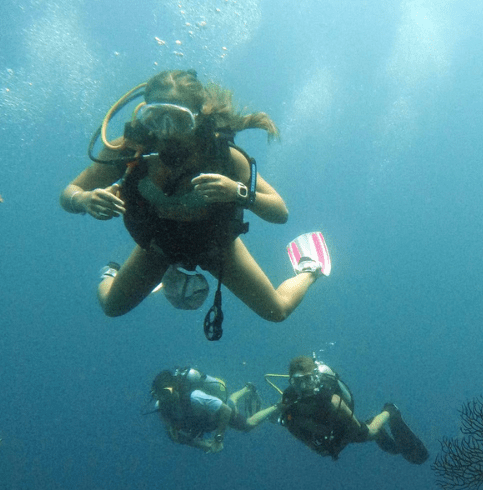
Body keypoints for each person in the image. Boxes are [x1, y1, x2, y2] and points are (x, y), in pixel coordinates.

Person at [60, 69, 327, 331]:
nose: (165, 131)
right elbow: (69, 192)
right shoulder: (128, 151)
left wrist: (239, 192)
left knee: (277, 311)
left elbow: (280, 213)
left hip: (215, 246)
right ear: (144, 115)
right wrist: (83, 200)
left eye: (177, 119)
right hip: (157, 246)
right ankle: (111, 273)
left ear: (198, 118)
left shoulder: (224, 157)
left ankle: (309, 269)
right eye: (155, 117)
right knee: (111, 306)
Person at [274, 356, 429, 463]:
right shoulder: (290, 400)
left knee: (370, 433)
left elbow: (360, 431)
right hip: (330, 432)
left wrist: (358, 432)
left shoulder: (332, 399)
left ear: (314, 378)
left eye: (307, 380)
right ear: (291, 381)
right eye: (297, 382)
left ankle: (390, 410)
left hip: (344, 422)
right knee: (392, 449)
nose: (303, 387)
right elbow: (294, 428)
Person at [150, 367, 279, 453]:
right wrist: (203, 446)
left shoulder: (195, 397)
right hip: (207, 417)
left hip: (216, 413)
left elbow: (226, 411)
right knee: (229, 403)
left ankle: (278, 406)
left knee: (247, 425)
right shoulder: (162, 407)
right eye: (161, 395)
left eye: (168, 392)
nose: (166, 398)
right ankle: (247, 388)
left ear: (176, 387)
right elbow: (175, 436)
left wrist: (218, 438)